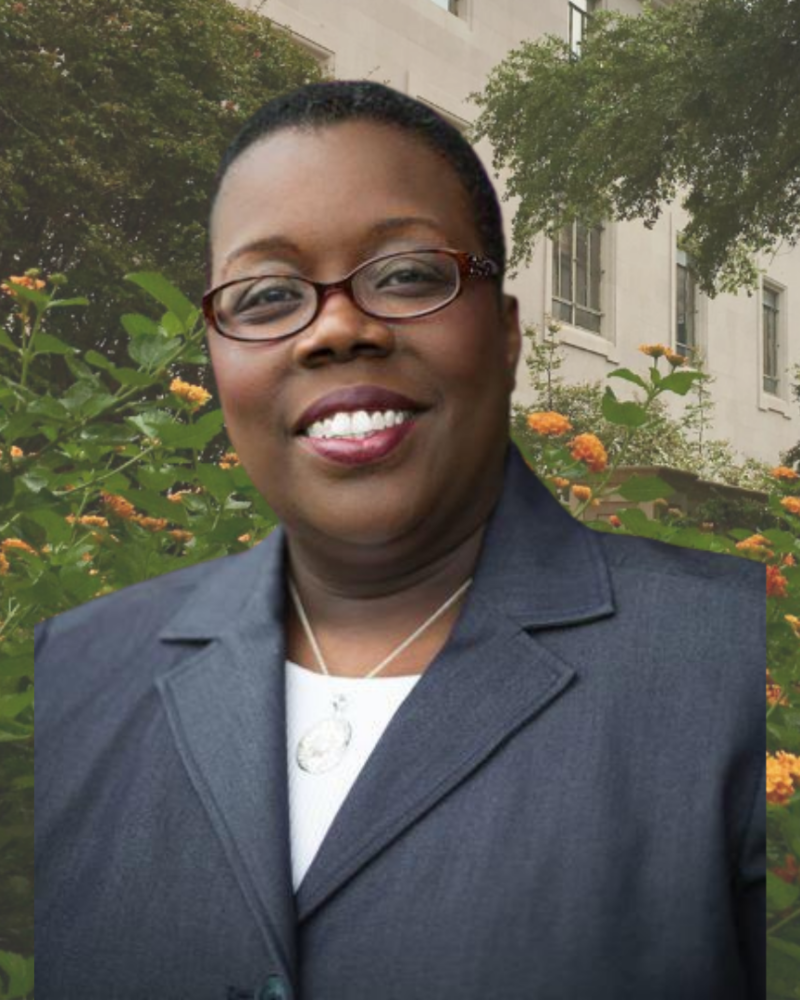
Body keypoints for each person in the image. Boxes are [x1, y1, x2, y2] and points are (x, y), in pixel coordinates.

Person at [35, 80, 765, 1000]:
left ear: (505, 336)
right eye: (264, 294)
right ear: (215, 355)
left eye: (408, 275)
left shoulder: (727, 662)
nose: (337, 328)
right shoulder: (73, 668)